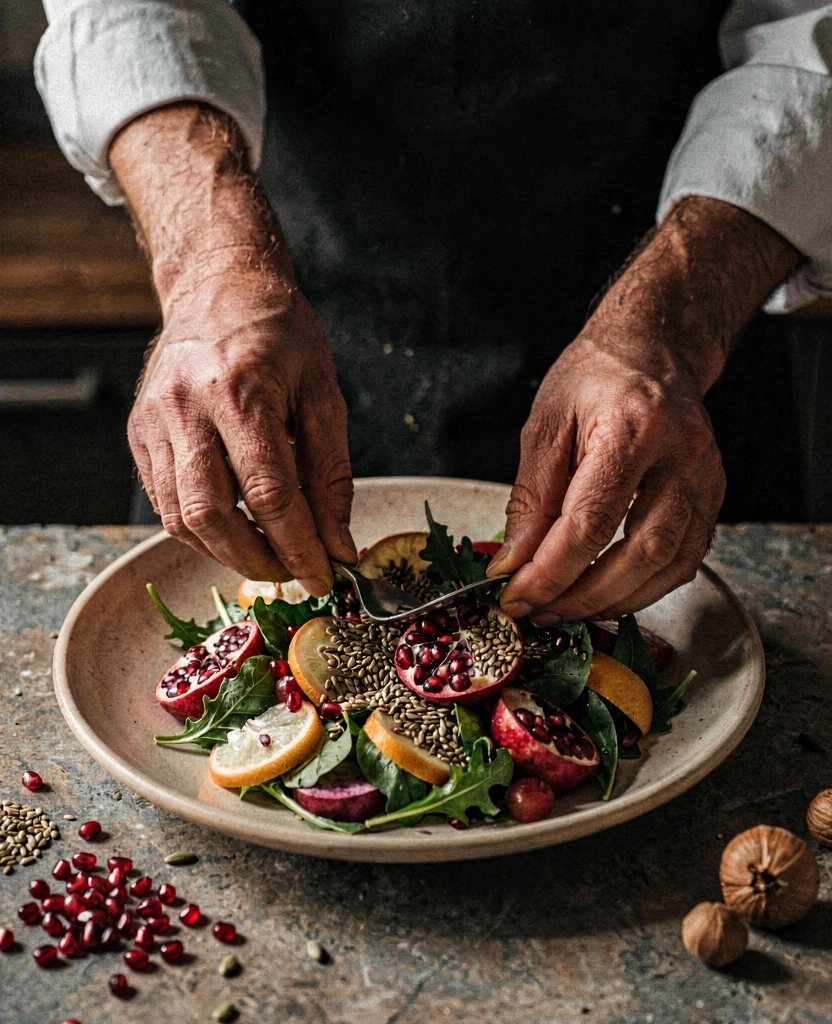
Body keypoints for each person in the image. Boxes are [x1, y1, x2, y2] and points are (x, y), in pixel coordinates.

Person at [34, 0, 832, 624]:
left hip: (673, 308)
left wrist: (674, 327)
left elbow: (809, 26)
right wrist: (210, 270)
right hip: (279, 305)